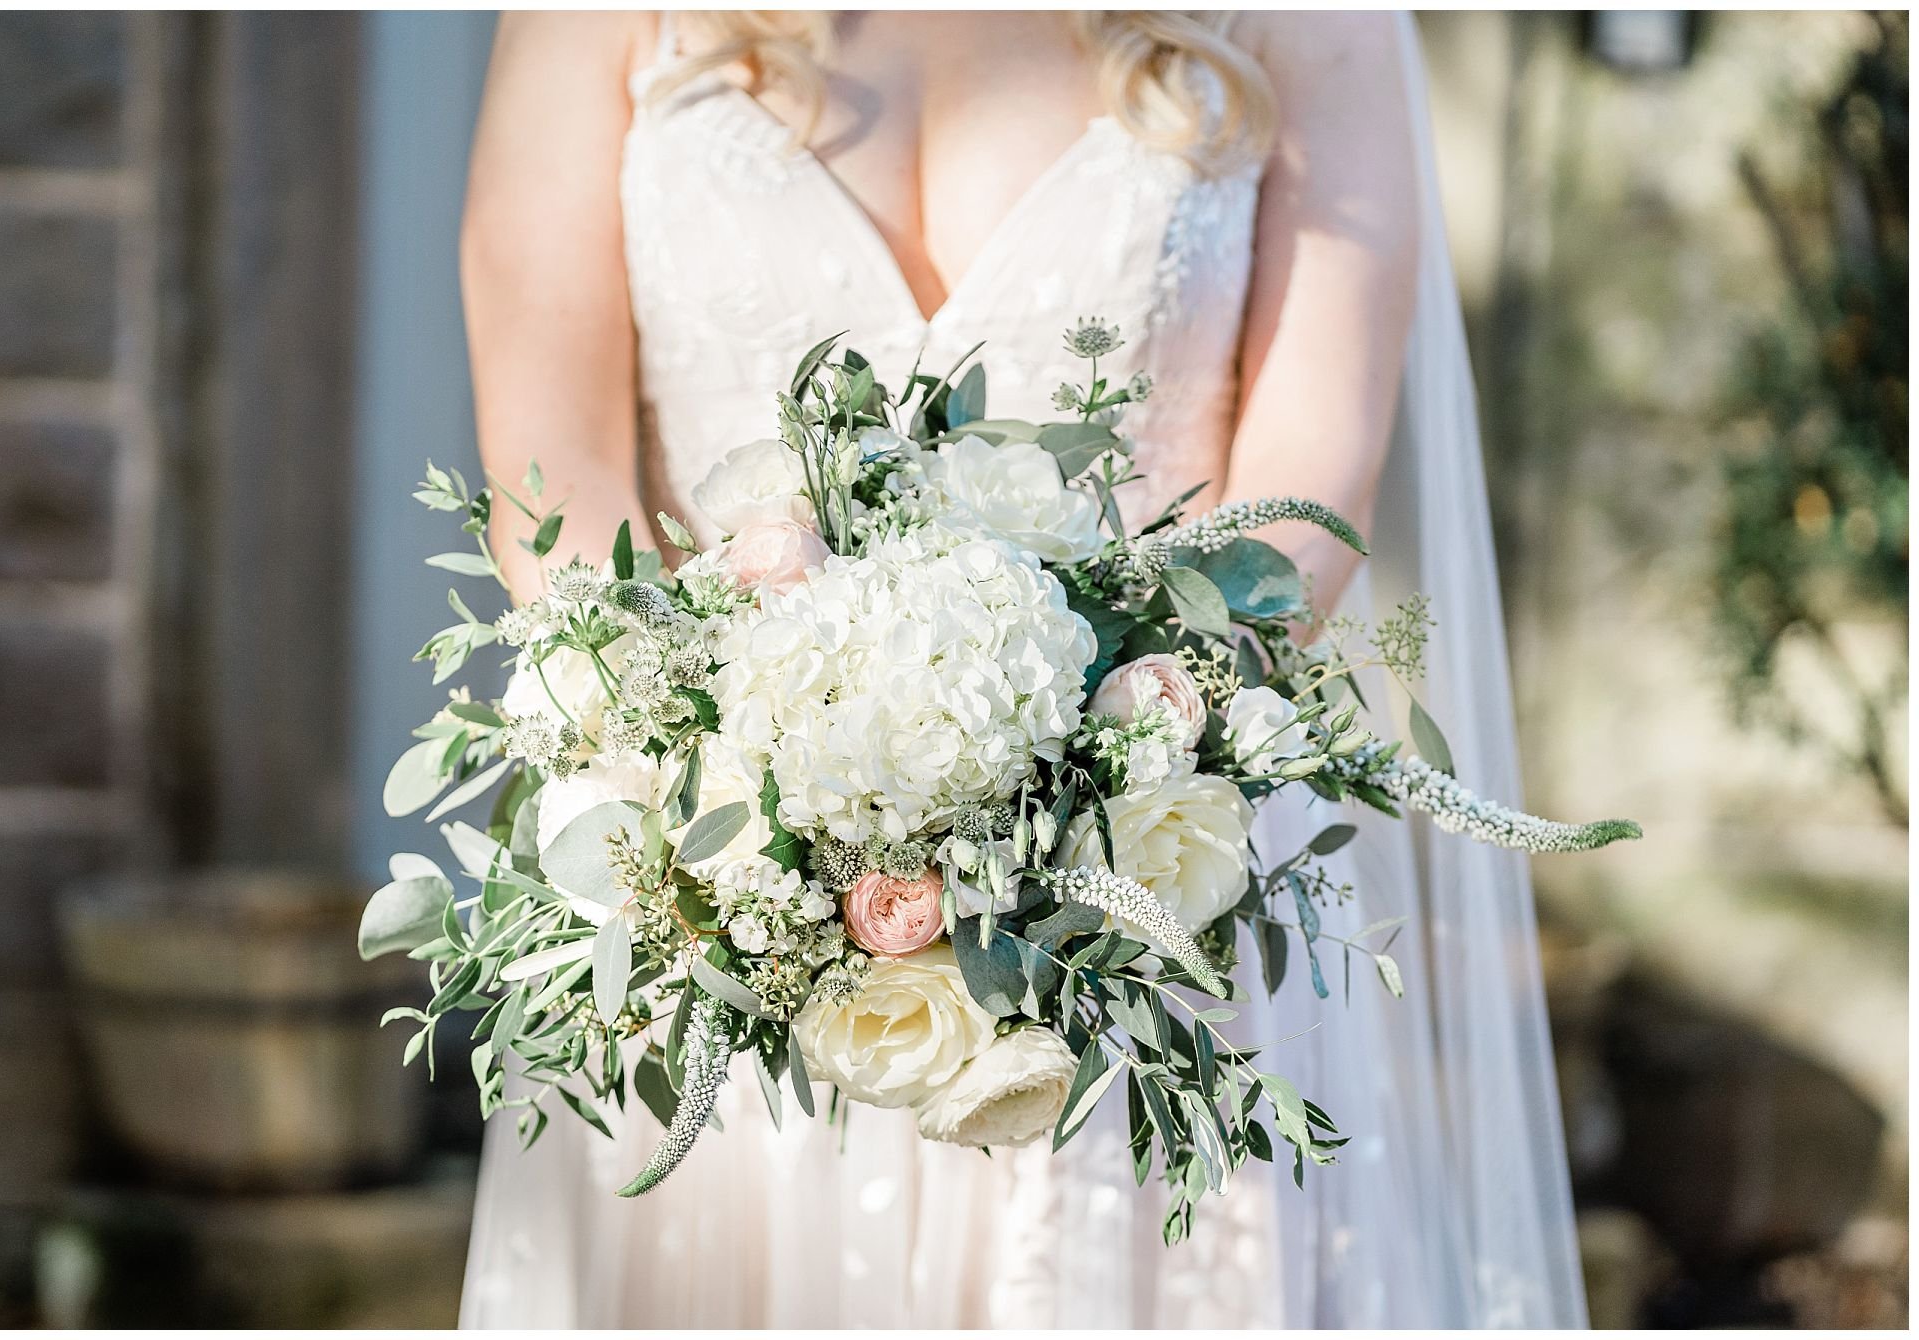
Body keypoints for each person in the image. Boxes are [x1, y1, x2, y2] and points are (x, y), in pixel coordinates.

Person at [456, 11, 1586, 1327]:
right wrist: (737, 760)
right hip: (719, 888)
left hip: (1156, 892)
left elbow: (1311, 472)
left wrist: (1080, 783)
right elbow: (554, 470)